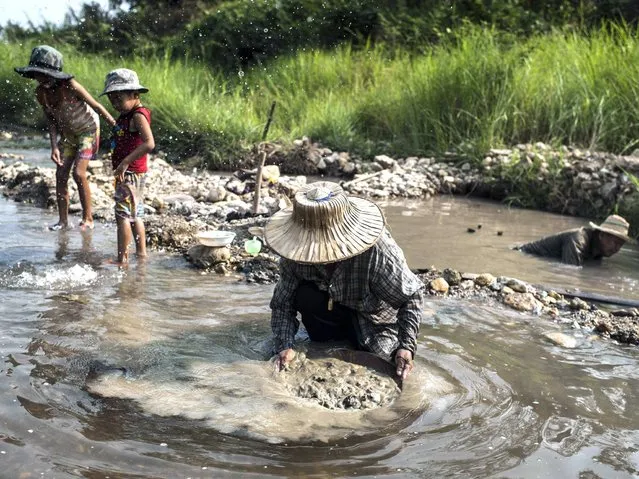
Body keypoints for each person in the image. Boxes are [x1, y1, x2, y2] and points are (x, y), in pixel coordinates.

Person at [265, 181, 425, 380]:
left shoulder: (377, 251)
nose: (321, 255)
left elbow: (412, 296)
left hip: (373, 318)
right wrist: (284, 345)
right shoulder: (295, 252)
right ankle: (328, 342)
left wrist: (406, 346)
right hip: (327, 314)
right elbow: (282, 304)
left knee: (384, 360)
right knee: (308, 306)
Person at [15, 45, 116, 231]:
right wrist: (53, 146)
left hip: (88, 130)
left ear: (53, 74)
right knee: (60, 175)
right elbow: (51, 121)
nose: (39, 77)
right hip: (68, 135)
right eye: (36, 73)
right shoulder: (41, 93)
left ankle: (88, 219)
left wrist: (117, 128)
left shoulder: (71, 86)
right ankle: (63, 221)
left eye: (42, 73)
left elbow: (96, 106)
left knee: (78, 173)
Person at [101, 69, 155, 265]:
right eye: (111, 100)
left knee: (122, 216)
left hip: (130, 173)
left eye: (119, 99)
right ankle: (141, 255)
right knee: (135, 214)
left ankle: (121, 259)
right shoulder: (127, 114)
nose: (115, 104)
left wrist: (124, 162)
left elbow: (149, 143)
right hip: (133, 173)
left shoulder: (138, 116)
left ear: (135, 95)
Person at [516, 214, 635, 266]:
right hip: (521, 253)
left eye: (620, 244)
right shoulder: (578, 239)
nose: (616, 248)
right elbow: (569, 270)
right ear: (602, 235)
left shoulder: (600, 249)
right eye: (614, 242)